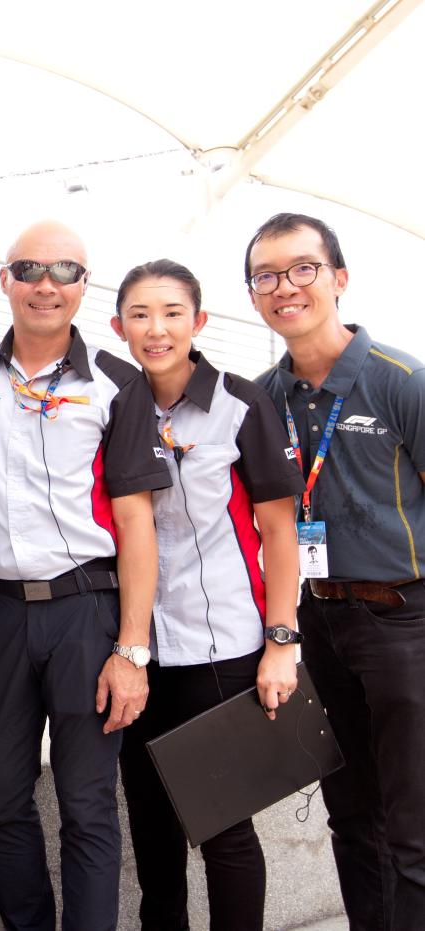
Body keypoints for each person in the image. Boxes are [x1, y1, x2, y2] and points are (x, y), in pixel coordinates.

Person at [0, 220, 171, 931]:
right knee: (1, 796)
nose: (47, 283)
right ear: (5, 279)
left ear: (82, 286)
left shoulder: (118, 382)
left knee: (86, 801)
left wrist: (131, 649)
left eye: (65, 270)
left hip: (86, 611)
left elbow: (137, 522)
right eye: (30, 268)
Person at [109, 259, 303, 930]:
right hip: (136, 653)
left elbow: (280, 532)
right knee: (153, 829)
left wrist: (282, 641)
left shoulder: (241, 403)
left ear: (199, 321)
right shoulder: (114, 403)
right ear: (118, 325)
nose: (156, 328)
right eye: (140, 314)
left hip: (219, 649)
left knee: (223, 829)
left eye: (171, 312)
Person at [248, 213, 425, 931]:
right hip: (317, 623)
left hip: (403, 622)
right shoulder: (263, 398)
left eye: (301, 269)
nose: (284, 287)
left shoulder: (401, 382)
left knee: (414, 826)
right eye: (266, 275)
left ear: (339, 279)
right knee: (351, 817)